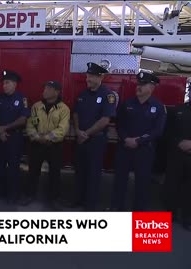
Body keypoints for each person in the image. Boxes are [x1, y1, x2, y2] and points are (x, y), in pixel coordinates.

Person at [110, 72, 166, 212]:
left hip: (144, 151)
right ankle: (117, 208)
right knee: (120, 181)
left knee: (142, 183)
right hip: (125, 148)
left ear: (152, 87)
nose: (138, 87)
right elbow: (119, 125)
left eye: (143, 84)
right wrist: (126, 139)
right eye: (138, 84)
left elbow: (158, 130)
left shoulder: (158, 107)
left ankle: (139, 212)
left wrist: (139, 141)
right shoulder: (127, 104)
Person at [72, 62, 117, 211]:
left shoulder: (107, 95)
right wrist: (78, 130)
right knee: (80, 171)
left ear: (100, 77)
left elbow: (105, 119)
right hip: (81, 138)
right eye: (87, 76)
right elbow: (76, 113)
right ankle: (77, 200)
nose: (87, 79)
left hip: (96, 140)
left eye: (91, 76)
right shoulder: (83, 94)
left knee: (93, 173)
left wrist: (87, 133)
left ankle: (90, 206)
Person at [22, 81, 70, 209]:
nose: (45, 91)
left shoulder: (64, 109)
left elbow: (62, 129)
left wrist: (47, 138)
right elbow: (30, 124)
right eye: (45, 88)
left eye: (49, 89)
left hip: (54, 146)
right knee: (33, 172)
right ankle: (30, 195)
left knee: (55, 173)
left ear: (56, 92)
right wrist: (37, 137)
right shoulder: (36, 106)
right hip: (36, 144)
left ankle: (53, 199)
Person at [0, 70, 30, 205]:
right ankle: (0, 191)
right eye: (3, 83)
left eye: (7, 83)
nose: (4, 85)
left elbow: (23, 119)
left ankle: (13, 194)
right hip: (0, 137)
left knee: (13, 168)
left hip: (15, 138)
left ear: (14, 84)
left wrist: (5, 128)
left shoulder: (22, 99)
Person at [164, 93, 191, 230]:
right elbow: (168, 132)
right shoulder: (177, 110)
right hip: (176, 154)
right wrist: (179, 143)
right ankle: (171, 214)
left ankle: (187, 217)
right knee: (172, 185)